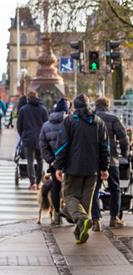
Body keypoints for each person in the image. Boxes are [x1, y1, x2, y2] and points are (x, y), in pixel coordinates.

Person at [56, 94, 109, 244]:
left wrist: (58, 166)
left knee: (70, 197)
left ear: (75, 106)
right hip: (93, 170)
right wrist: (104, 168)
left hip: (73, 168)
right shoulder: (99, 122)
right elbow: (105, 147)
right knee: (85, 203)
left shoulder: (70, 121)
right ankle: (81, 235)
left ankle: (83, 221)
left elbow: (63, 146)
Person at [91, 97, 129, 231]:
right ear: (108, 105)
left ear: (96, 105)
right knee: (115, 188)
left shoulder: (91, 118)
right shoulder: (113, 119)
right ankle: (114, 218)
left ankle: (96, 219)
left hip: (93, 160)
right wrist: (125, 154)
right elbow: (123, 139)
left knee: (94, 189)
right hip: (111, 158)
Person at [39, 98, 69, 225]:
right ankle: (69, 212)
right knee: (69, 188)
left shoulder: (46, 125)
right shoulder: (70, 122)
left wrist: (51, 160)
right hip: (68, 162)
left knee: (55, 188)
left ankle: (57, 215)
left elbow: (43, 146)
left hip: (53, 164)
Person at [17, 92, 48, 191]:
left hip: (28, 138)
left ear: (28, 99)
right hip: (40, 138)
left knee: (30, 161)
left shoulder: (23, 109)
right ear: (37, 97)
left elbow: (19, 125)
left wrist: (23, 135)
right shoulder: (43, 109)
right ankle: (38, 183)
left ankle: (33, 183)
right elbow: (47, 124)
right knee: (40, 160)